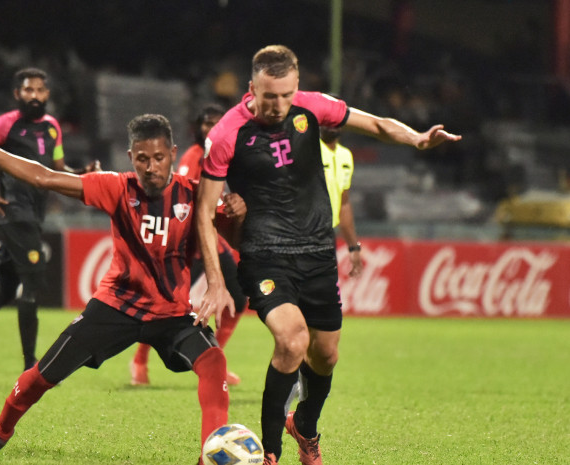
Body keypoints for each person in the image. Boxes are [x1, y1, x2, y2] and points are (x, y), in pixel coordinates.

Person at [194, 45, 461, 465]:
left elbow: (373, 123)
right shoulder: (228, 134)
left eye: (285, 95)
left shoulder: (313, 108)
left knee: (326, 355)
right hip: (265, 255)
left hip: (317, 253)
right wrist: (214, 279)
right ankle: (270, 453)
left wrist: (417, 138)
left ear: (296, 86)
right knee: (292, 340)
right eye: (269, 97)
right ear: (252, 88)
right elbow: (203, 212)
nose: (278, 105)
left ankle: (304, 426)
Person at [0, 114, 229, 465]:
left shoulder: (196, 196)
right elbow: (43, 176)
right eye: (142, 159)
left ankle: (208, 459)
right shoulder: (117, 187)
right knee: (40, 377)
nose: (151, 167)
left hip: (173, 314)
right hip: (116, 307)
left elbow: (239, 237)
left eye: (158, 158)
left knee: (214, 362)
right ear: (130, 157)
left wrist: (240, 214)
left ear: (173, 153)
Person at [0, 68, 98, 384]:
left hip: (35, 216)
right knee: (34, 284)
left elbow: (57, 169)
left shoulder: (52, 128)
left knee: (5, 289)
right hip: (14, 213)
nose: (34, 96)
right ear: (17, 93)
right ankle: (31, 367)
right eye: (28, 90)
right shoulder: (3, 125)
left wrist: (83, 172)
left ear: (47, 94)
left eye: (40, 90)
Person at [129, 103, 248, 387]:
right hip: (184, 242)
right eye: (206, 123)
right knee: (160, 305)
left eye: (217, 123)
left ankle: (215, 359)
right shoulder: (194, 156)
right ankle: (139, 362)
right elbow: (179, 199)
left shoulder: (225, 154)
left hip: (211, 241)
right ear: (198, 127)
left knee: (238, 300)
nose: (211, 128)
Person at [320, 124, 363, 278]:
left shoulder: (345, 156)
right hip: (301, 235)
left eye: (334, 120)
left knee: (322, 298)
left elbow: (343, 203)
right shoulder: (308, 150)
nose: (331, 124)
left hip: (326, 237)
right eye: (326, 120)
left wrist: (353, 247)